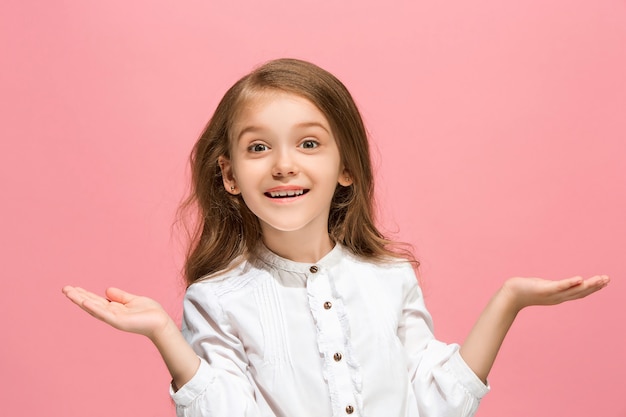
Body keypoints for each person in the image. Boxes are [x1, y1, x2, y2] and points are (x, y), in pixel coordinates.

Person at [63, 58, 609, 417]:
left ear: (346, 166)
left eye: (308, 144)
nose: (282, 165)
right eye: (258, 148)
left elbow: (432, 403)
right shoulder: (217, 299)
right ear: (230, 176)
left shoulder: (390, 277)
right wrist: (164, 334)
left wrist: (509, 300)